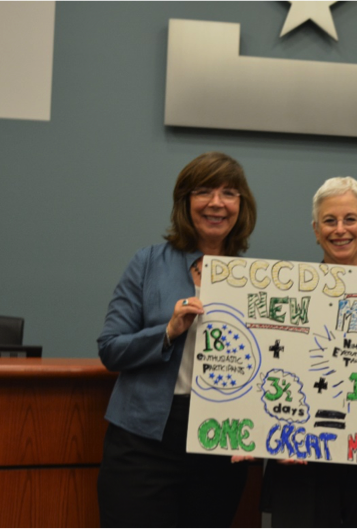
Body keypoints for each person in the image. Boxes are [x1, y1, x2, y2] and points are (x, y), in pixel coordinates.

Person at [96, 152, 257, 528]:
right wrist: (167, 332)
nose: (216, 203)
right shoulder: (147, 263)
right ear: (185, 202)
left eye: (229, 193)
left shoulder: (257, 279)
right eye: (204, 191)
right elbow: (110, 348)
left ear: (241, 206)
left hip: (217, 444)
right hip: (143, 443)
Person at [261, 176, 357, 528]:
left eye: (350, 219)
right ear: (316, 230)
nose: (340, 229)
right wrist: (271, 434)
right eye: (329, 221)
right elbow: (267, 372)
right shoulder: (285, 297)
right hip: (302, 467)